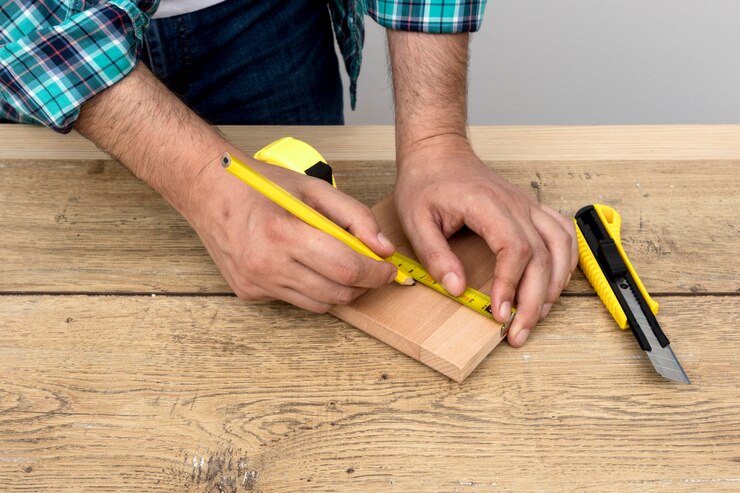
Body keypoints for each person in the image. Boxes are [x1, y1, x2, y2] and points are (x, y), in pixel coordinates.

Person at [1, 0, 577, 348]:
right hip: (32, 56)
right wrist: (204, 182)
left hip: (268, 22)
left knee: (309, 257)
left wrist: (436, 138)